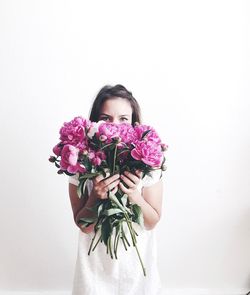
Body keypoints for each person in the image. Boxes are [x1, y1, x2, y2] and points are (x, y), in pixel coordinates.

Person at [68, 84, 164, 295]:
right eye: (106, 118)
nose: (115, 126)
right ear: (94, 122)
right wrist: (95, 197)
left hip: (136, 266)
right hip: (95, 266)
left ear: (134, 123)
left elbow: (152, 221)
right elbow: (83, 225)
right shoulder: (82, 164)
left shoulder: (148, 162)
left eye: (123, 119)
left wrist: (134, 195)